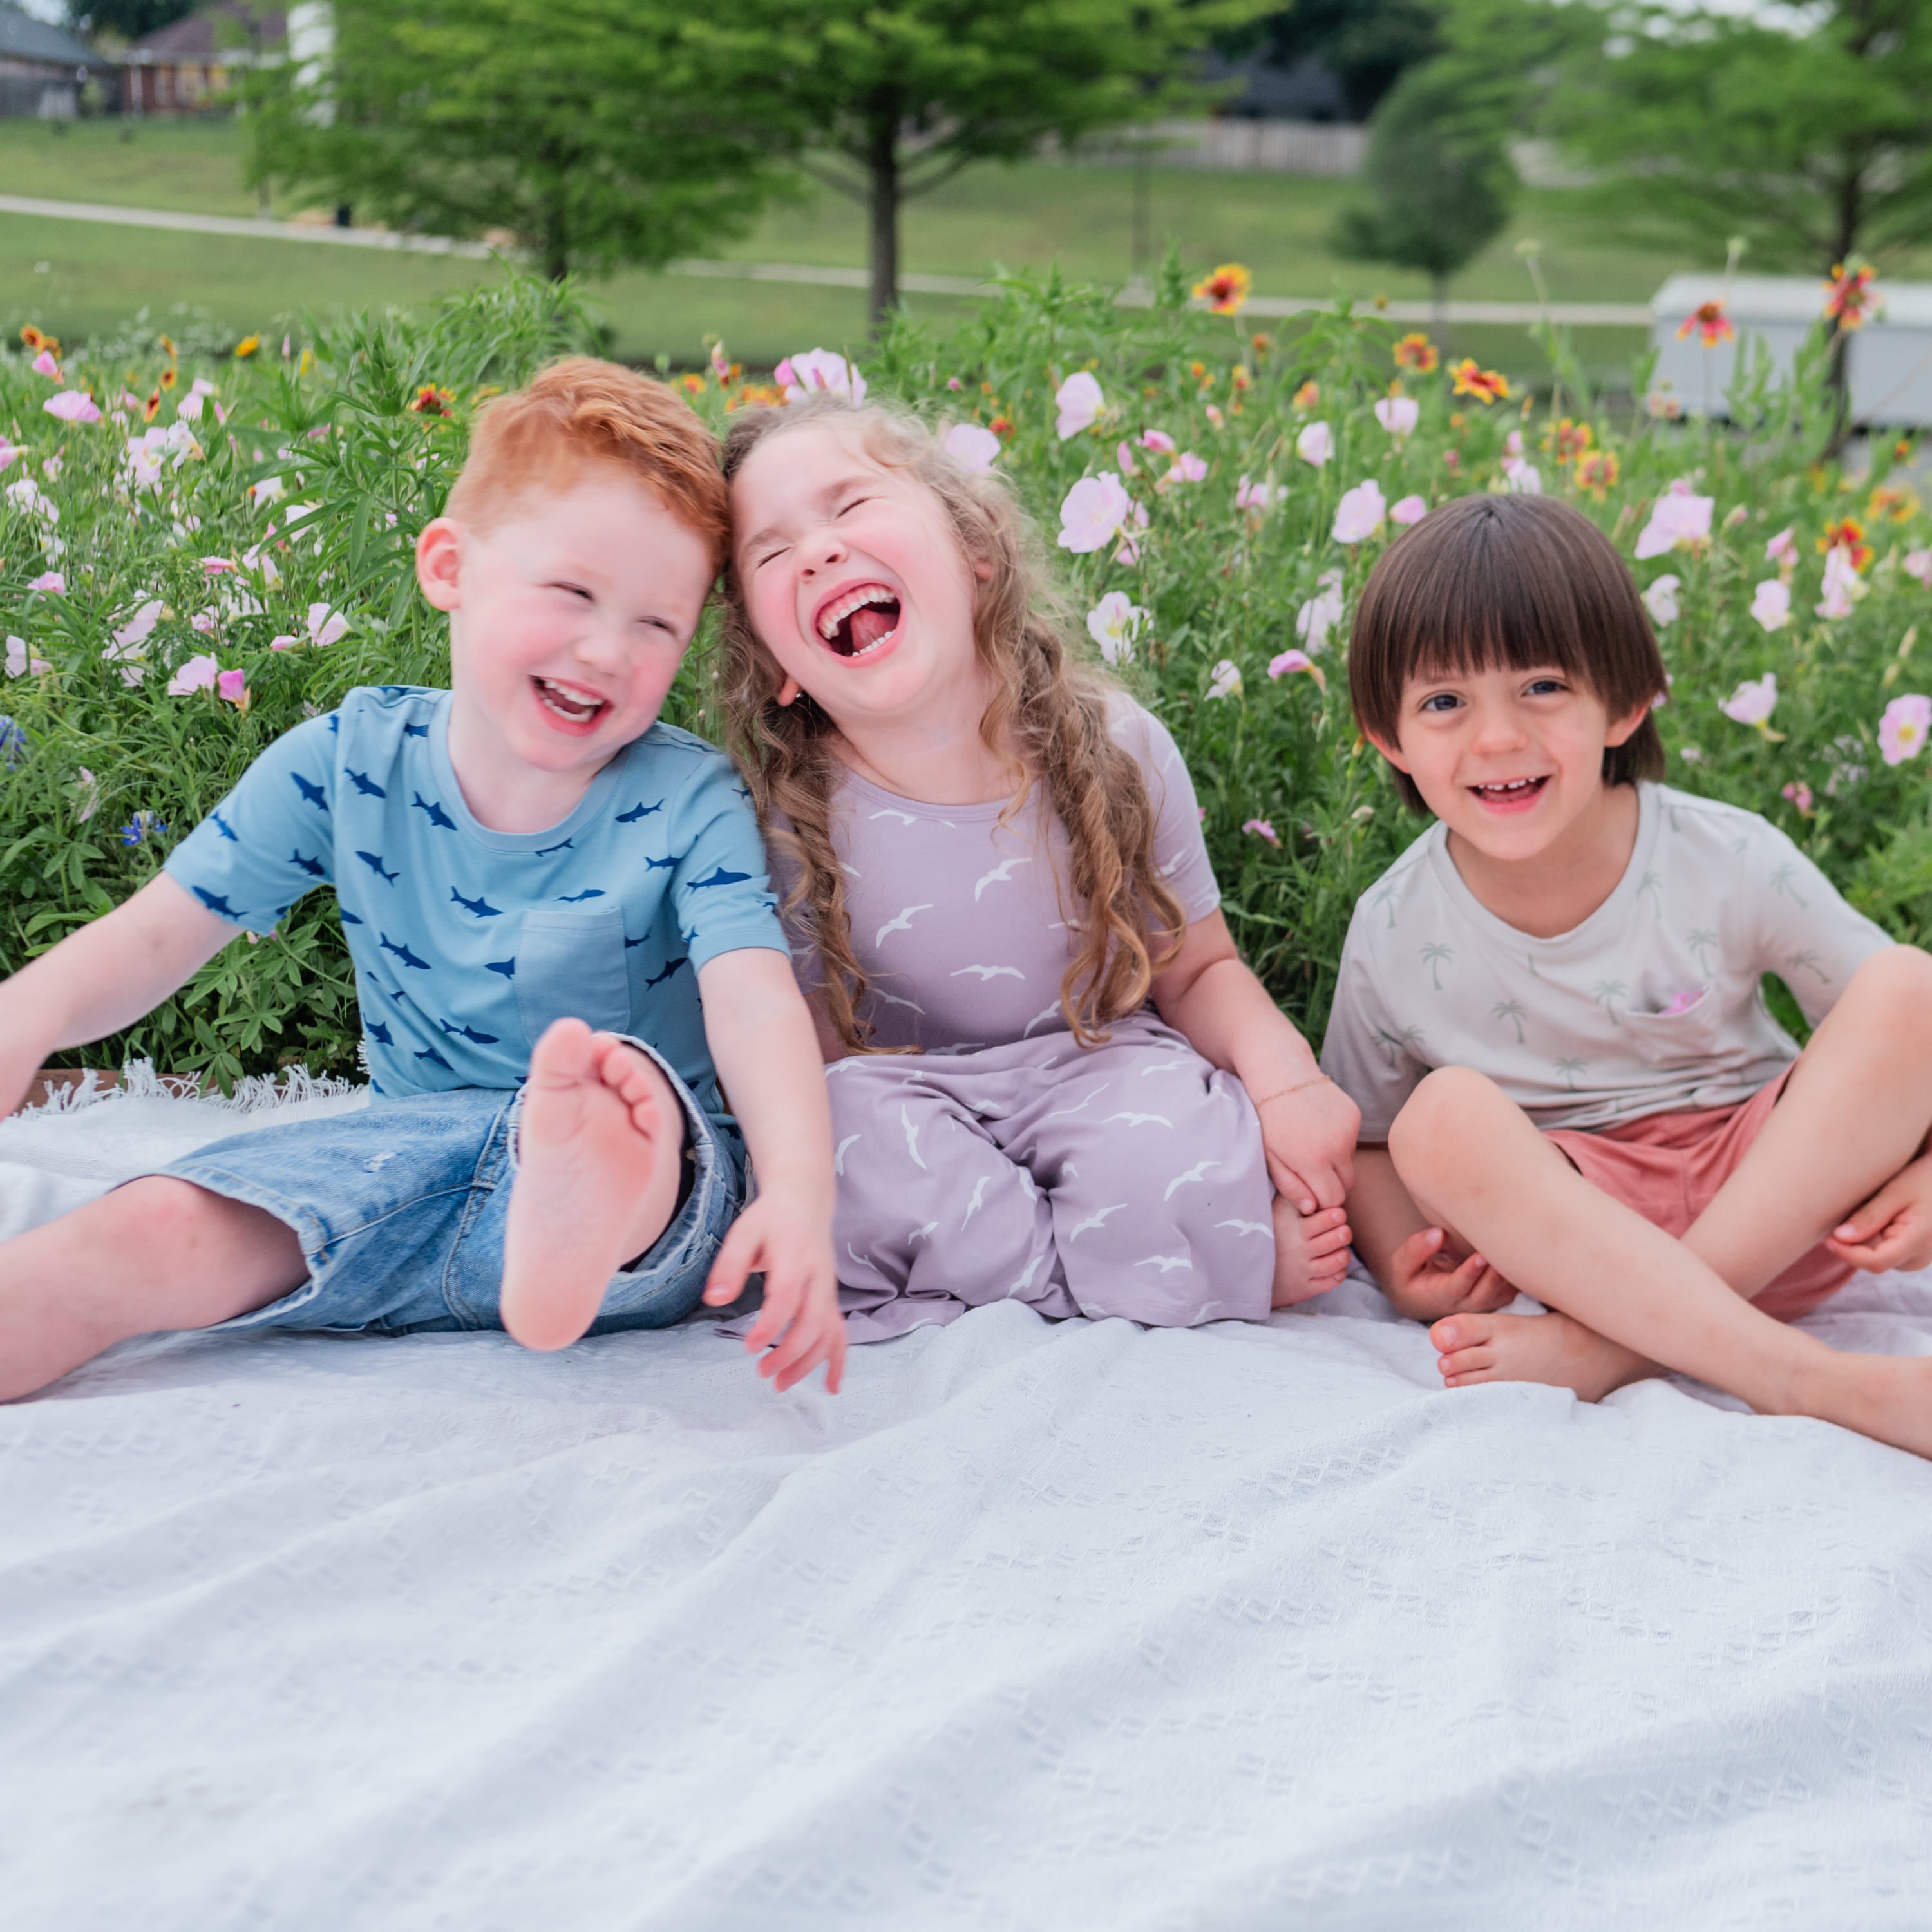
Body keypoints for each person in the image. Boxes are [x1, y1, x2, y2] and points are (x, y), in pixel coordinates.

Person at [0, 359, 844, 1401]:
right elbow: (161, 935)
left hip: (663, 1214)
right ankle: (51, 1297)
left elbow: (754, 999)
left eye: (657, 625)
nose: (606, 649)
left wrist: (800, 1195)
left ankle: (584, 1197)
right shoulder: (344, 763)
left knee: (628, 1105)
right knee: (162, 1224)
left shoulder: (686, 799)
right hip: (403, 1180)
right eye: (573, 591)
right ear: (450, 567)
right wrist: (25, 1015)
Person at [717, 394, 1361, 1340]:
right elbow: (806, 1044)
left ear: (977, 551)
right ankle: (1153, 1268)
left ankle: (1017, 1273)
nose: (816, 550)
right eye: (771, 553)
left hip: (1098, 1070)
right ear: (778, 665)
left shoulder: (1117, 750)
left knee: (1170, 1135)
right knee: (835, 1132)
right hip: (909, 1095)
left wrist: (1284, 1079)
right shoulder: (787, 813)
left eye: (851, 507)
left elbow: (1196, 970)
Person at [1322, 489, 1932, 1457]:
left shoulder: (1725, 856)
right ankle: (1809, 1382)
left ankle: (1612, 1353)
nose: (1497, 738)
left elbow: (1892, 1038)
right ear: (1386, 736)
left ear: (1628, 699)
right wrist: (1402, 1268)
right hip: (1578, 1231)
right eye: (1444, 702)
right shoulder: (1397, 925)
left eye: (1543, 687)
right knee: (1440, 1123)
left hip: (1774, 1199)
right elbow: (1369, 1140)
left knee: (1910, 986)